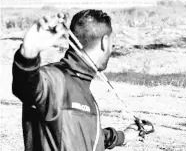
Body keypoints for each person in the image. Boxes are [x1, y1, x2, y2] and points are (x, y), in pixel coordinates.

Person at [11, 10, 149, 150]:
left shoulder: (80, 82)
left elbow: (82, 135)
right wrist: (28, 54)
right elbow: (26, 87)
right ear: (105, 42)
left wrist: (122, 136)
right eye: (112, 43)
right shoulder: (56, 79)